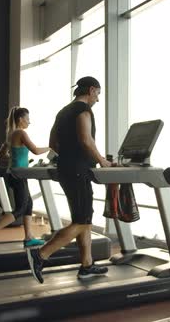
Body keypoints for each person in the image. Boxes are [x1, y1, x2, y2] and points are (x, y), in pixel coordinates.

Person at [27, 76, 112, 283]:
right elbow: (86, 139)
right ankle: (41, 255)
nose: (98, 99)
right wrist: (102, 161)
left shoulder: (63, 111)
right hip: (78, 170)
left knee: (83, 219)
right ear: (91, 90)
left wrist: (67, 158)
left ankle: (87, 265)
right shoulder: (83, 110)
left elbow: (52, 143)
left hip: (66, 169)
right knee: (83, 221)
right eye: (98, 94)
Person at [0, 106, 51, 250]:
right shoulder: (21, 133)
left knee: (29, 204)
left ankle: (28, 238)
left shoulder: (11, 133)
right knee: (20, 208)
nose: (29, 122)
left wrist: (14, 157)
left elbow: (2, 155)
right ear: (20, 119)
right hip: (18, 175)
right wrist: (51, 147)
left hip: (15, 174)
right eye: (28, 119)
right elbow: (36, 150)